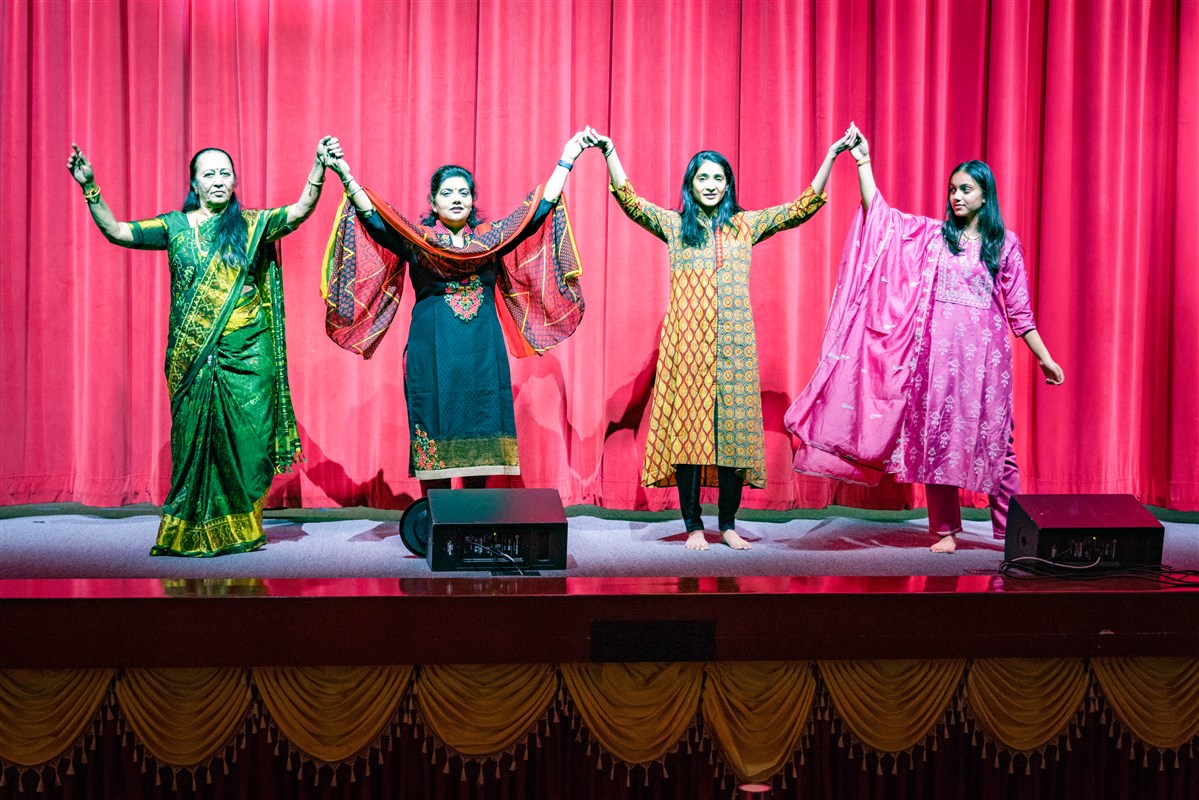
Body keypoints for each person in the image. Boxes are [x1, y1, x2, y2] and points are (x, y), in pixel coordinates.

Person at [785, 125, 1065, 553]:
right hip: (936, 357)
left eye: (966, 190)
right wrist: (863, 163)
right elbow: (881, 217)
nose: (956, 196)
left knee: (999, 444)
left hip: (986, 362)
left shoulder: (1005, 245)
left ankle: (1013, 533)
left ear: (985, 196)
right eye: (952, 189)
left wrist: (1044, 357)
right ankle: (946, 530)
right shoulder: (935, 238)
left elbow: (1020, 312)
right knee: (938, 437)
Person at [587, 126, 857, 550]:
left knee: (734, 435)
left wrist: (831, 157)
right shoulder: (675, 226)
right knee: (689, 438)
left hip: (735, 346)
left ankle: (728, 524)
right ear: (690, 184)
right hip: (687, 346)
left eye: (718, 178)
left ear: (728, 184)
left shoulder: (745, 226)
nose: (711, 185)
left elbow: (800, 208)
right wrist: (610, 152)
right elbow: (630, 201)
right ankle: (694, 525)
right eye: (703, 178)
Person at [66, 139, 332, 556]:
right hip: (193, 356)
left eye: (225, 173)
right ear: (194, 184)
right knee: (193, 442)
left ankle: (241, 524)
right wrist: (90, 187)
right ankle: (188, 529)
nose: (218, 180)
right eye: (209, 174)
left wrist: (318, 167)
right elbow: (118, 231)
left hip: (249, 351)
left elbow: (298, 211)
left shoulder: (251, 225)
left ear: (235, 180)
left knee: (252, 442)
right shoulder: (174, 227)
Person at [319, 133, 594, 494]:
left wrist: (567, 159)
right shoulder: (416, 241)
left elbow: (536, 212)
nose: (456, 199)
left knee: (482, 427)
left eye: (464, 193)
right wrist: (344, 174)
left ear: (472, 201)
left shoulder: (491, 239)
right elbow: (375, 220)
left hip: (483, 353)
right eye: (447, 193)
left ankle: (474, 516)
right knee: (436, 425)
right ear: (433, 203)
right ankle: (440, 518)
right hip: (432, 352)